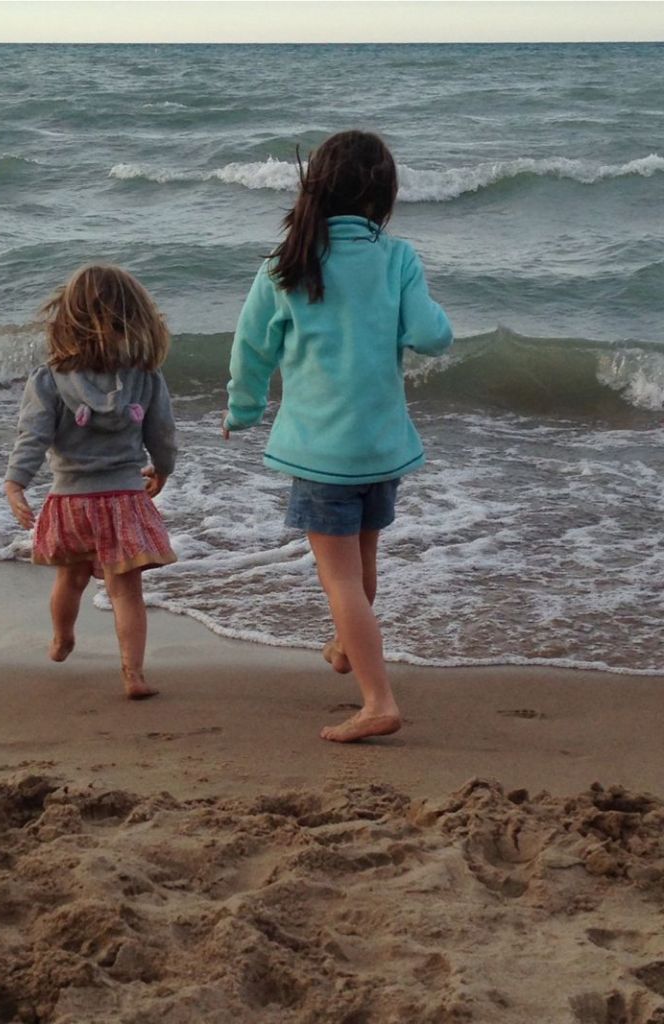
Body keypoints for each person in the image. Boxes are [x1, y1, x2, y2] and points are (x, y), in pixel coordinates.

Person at [223, 130, 452, 742]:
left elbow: (251, 350)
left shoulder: (287, 263)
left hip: (320, 453)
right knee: (362, 563)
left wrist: (242, 411)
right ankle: (350, 645)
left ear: (315, 188)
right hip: (382, 450)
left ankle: (378, 702)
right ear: (384, 196)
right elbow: (433, 335)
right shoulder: (397, 258)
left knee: (341, 579)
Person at [4, 264, 177, 700]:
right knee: (126, 591)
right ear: (135, 316)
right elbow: (162, 433)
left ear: (67, 317)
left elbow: (33, 436)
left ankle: (62, 638)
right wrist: (163, 468)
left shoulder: (50, 379)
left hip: (70, 502)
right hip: (124, 499)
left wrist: (15, 482)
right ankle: (133, 674)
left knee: (70, 579)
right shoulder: (145, 377)